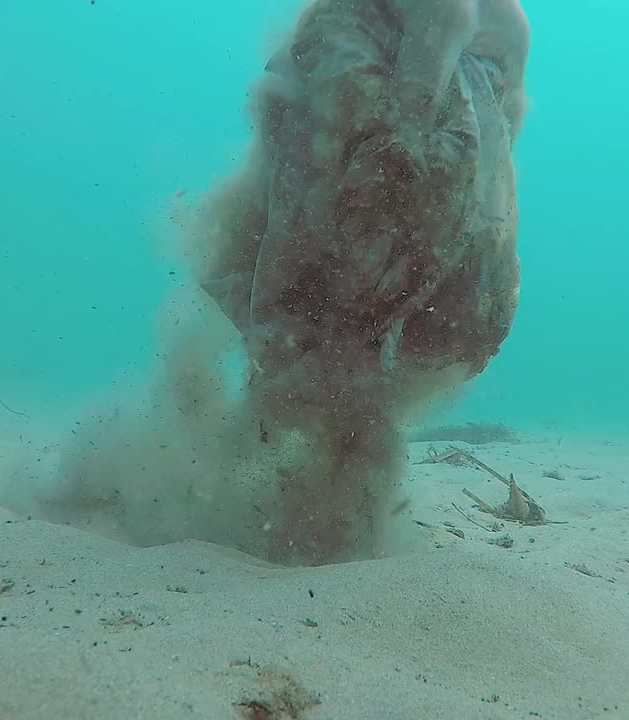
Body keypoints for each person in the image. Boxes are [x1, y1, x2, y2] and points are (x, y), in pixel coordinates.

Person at [189, 0, 530, 565]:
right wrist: (405, 136)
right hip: (382, 101)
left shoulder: (482, 42)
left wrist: (416, 134)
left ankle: (325, 483)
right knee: (320, 288)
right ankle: (307, 479)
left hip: (421, 111)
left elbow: (468, 49)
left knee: (326, 294)